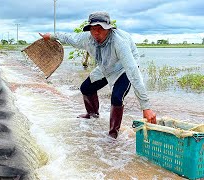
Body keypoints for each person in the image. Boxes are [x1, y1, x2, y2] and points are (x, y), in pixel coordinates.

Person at [40, 11, 156, 139]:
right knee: (86, 88)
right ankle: (92, 115)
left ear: (109, 28)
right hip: (106, 66)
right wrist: (50, 36)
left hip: (124, 68)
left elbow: (133, 72)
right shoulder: (87, 38)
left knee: (117, 97)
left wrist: (146, 107)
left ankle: (113, 135)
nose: (96, 33)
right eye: (93, 29)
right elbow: (69, 38)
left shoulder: (119, 42)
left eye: (100, 28)